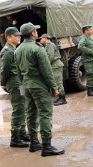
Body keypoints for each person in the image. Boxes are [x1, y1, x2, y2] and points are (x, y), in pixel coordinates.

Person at [14, 22, 65, 156]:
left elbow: (18, 72)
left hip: (26, 85)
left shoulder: (17, 50)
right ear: (32, 33)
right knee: (45, 114)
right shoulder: (38, 48)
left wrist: (22, 90)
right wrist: (54, 88)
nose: (37, 32)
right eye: (35, 31)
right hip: (39, 85)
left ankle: (34, 143)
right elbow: (47, 70)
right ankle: (47, 146)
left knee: (30, 114)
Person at [0, 27, 30, 147]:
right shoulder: (7, 51)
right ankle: (15, 138)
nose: (19, 37)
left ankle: (22, 132)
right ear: (8, 37)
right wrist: (3, 83)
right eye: (16, 35)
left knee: (22, 106)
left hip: (19, 82)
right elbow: (4, 69)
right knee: (18, 109)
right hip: (14, 82)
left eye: (19, 35)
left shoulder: (14, 49)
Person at [40, 33, 67, 106]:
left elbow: (50, 57)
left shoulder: (50, 45)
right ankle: (60, 97)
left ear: (45, 38)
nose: (40, 40)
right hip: (54, 66)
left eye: (41, 38)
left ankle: (62, 98)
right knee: (55, 82)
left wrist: (45, 66)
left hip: (55, 66)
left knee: (58, 82)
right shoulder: (47, 46)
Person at [78, 25, 93, 96]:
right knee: (90, 74)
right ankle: (89, 91)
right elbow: (80, 46)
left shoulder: (89, 38)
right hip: (88, 59)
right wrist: (90, 51)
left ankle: (92, 88)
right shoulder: (84, 38)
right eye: (90, 29)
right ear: (86, 31)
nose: (92, 31)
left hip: (92, 59)